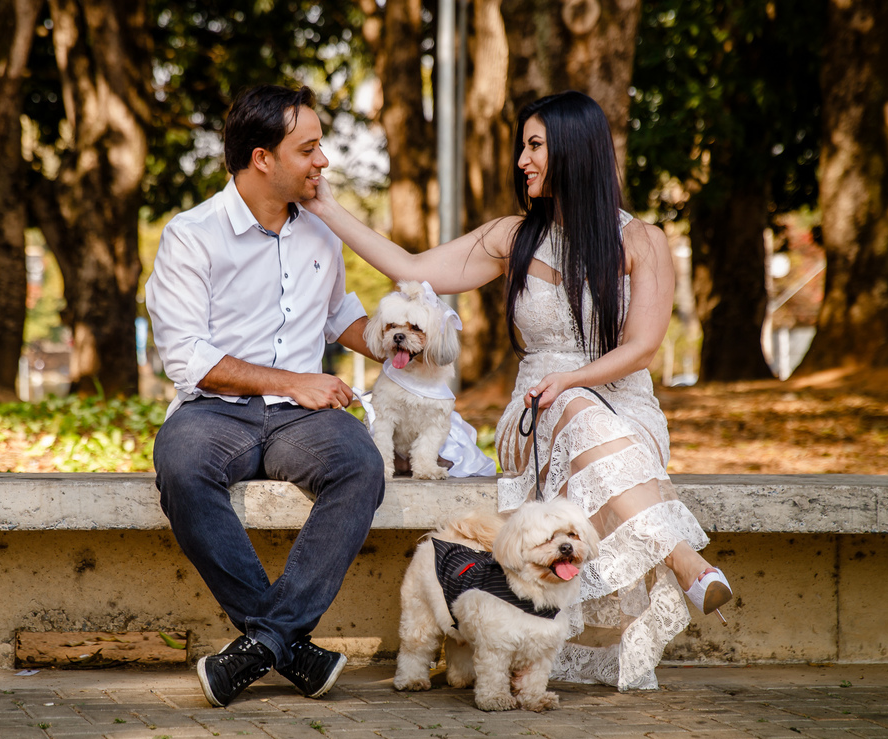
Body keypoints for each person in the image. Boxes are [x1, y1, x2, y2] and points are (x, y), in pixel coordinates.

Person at [302, 90, 733, 691]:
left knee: (579, 406)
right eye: (522, 147)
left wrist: (573, 378)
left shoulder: (643, 240)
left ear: (574, 151)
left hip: (625, 410)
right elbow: (410, 268)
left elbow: (641, 347)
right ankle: (687, 561)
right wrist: (327, 207)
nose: (522, 160)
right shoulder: (513, 236)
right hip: (535, 417)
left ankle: (679, 563)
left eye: (535, 146)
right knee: (569, 406)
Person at [146, 85, 385, 707]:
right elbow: (187, 359)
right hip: (213, 413)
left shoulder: (321, 231)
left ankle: (262, 644)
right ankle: (290, 645)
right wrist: (292, 381)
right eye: (308, 149)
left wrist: (403, 340)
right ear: (262, 158)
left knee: (360, 465)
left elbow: (338, 317)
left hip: (301, 420)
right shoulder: (191, 235)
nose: (323, 161)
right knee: (181, 464)